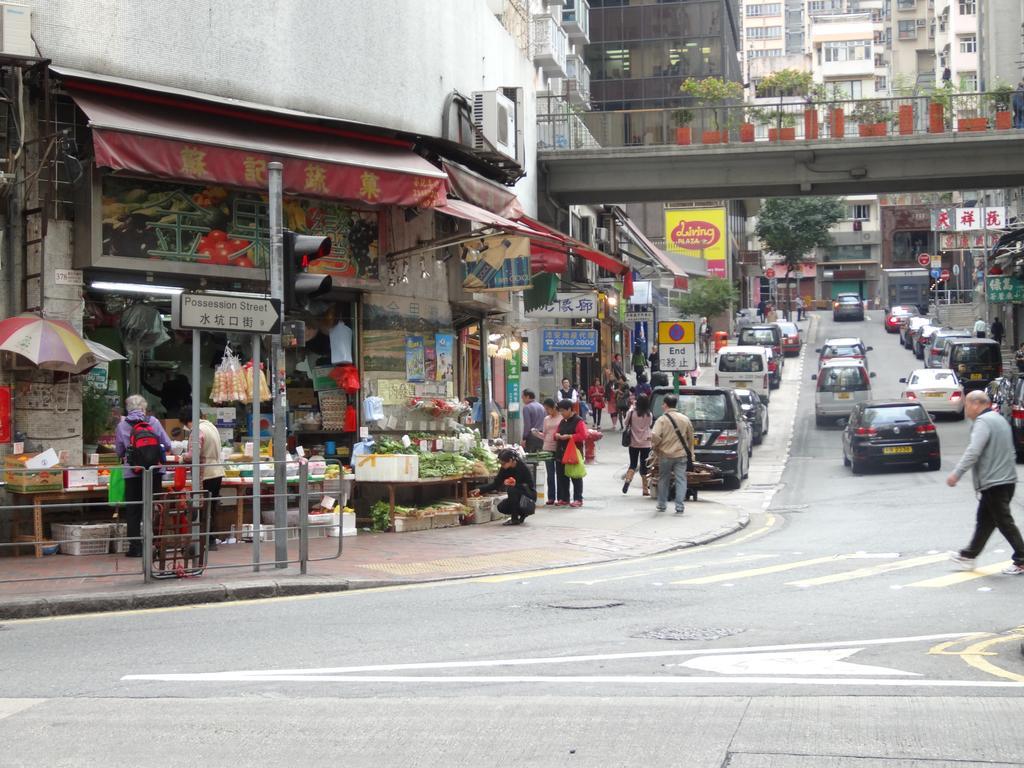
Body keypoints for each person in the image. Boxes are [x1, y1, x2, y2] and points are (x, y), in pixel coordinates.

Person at [947, 390, 1024, 575]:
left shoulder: (983, 422)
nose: (966, 410)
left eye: (966, 406)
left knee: (1004, 522)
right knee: (985, 521)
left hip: (994, 482)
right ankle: (968, 555)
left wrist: (956, 474)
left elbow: (973, 451)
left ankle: (1021, 558)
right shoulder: (999, 420)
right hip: (1007, 479)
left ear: (976, 404)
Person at [115, 394, 173, 557]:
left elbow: (119, 451)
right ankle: (155, 543)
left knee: (133, 510)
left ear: (128, 409)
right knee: (154, 507)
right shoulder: (153, 422)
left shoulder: (122, 426)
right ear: (143, 408)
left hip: (133, 473)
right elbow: (167, 444)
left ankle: (136, 547)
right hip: (154, 472)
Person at [178, 407, 225, 551]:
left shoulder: (197, 431)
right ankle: (210, 539)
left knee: (203, 507)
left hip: (206, 473)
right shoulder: (211, 426)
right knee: (211, 507)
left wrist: (181, 458)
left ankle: (207, 540)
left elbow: (193, 454)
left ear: (186, 421)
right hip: (217, 471)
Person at [650, 394, 695, 515]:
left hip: (665, 455)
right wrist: (691, 454)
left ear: (665, 405)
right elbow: (690, 438)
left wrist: (655, 447)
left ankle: (662, 504)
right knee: (681, 479)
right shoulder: (685, 419)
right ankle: (679, 506)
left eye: (663, 404)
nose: (662, 405)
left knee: (664, 479)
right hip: (681, 455)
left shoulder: (662, 420)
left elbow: (655, 436)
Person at [474, 449, 537, 526]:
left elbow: (530, 486)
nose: (502, 466)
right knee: (501, 507)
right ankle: (522, 514)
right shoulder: (504, 469)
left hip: (528, 496)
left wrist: (516, 485)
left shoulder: (523, 468)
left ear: (510, 460)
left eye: (503, 463)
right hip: (516, 496)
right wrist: (480, 490)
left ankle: (515, 519)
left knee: (511, 489)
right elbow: (496, 484)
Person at [554, 399, 588, 507]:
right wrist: (557, 436)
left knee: (575, 476)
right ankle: (565, 498)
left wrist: (569, 437)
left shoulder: (578, 421)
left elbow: (583, 435)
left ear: (569, 409)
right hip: (561, 452)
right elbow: (556, 432)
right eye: (560, 411)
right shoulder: (563, 421)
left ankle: (578, 499)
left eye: (563, 411)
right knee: (562, 476)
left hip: (573, 453)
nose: (561, 413)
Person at [622, 393, 654, 496]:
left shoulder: (632, 413)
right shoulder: (649, 414)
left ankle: (628, 480)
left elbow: (625, 423)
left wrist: (631, 408)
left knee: (633, 464)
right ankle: (645, 489)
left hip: (633, 442)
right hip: (646, 443)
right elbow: (649, 425)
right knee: (644, 466)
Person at [539, 398, 562, 505]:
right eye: (545, 409)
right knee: (550, 474)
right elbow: (544, 434)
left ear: (553, 407)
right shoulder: (546, 419)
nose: (547, 411)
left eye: (548, 409)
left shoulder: (562, 417)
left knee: (560, 473)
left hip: (558, 448)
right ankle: (551, 497)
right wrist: (536, 434)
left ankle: (561, 497)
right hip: (547, 447)